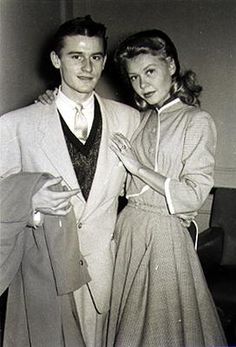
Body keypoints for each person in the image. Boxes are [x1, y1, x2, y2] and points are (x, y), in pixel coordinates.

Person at [0, 16, 140, 347]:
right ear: (56, 59)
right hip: (44, 271)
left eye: (95, 57)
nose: (87, 66)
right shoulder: (15, 125)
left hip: (105, 273)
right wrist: (31, 203)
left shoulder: (131, 119)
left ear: (105, 61)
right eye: (76, 56)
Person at [106, 30, 227, 346]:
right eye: (134, 77)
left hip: (164, 237)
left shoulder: (196, 120)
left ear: (171, 65)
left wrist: (139, 168)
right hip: (128, 229)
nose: (142, 84)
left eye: (149, 71)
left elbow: (193, 194)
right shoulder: (139, 119)